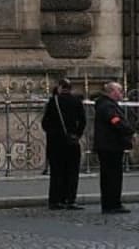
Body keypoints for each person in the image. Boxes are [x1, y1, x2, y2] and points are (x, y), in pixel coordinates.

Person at [41, 77, 87, 210]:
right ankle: (70, 199)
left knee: (56, 172)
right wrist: (77, 135)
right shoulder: (76, 101)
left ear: (60, 87)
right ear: (71, 88)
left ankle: (55, 200)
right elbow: (83, 121)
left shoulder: (53, 102)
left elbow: (45, 123)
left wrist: (53, 134)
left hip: (56, 142)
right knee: (72, 171)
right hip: (72, 141)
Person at [94, 81, 135, 214]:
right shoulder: (107, 106)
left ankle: (112, 202)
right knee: (111, 177)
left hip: (111, 145)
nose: (122, 93)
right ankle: (111, 203)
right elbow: (115, 121)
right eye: (120, 91)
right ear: (112, 92)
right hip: (110, 146)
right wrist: (128, 130)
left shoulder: (108, 104)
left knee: (113, 176)